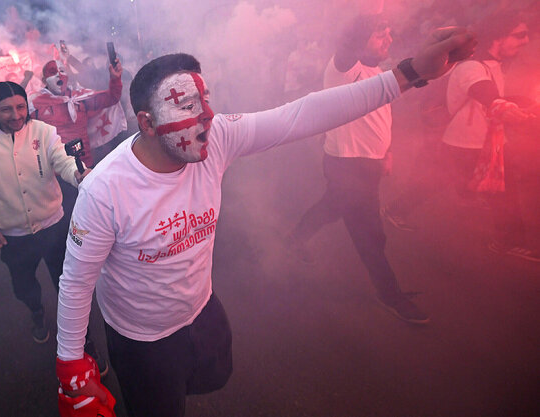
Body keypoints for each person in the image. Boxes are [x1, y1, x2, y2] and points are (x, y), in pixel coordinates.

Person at [53, 27, 476, 416]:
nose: (207, 117)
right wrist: (71, 367)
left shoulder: (215, 138)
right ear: (146, 123)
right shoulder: (104, 191)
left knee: (216, 374)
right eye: (187, 106)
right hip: (143, 338)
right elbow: (75, 281)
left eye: (206, 101)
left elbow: (301, 114)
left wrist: (410, 72)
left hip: (201, 309)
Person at [284, 14, 429, 324]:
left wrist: (385, 152)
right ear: (358, 40)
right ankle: (390, 295)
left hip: (367, 165)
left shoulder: (376, 71)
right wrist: (366, 18)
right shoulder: (344, 69)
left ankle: (296, 239)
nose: (388, 40)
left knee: (331, 207)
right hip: (348, 166)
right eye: (380, 35)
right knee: (369, 234)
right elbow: (349, 42)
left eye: (389, 34)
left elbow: (381, 117)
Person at [0, 81, 107, 371]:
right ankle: (36, 311)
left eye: (20, 106)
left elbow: (62, 160)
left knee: (69, 287)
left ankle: (83, 342)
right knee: (24, 284)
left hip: (54, 224)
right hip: (13, 235)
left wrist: (80, 175)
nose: (16, 115)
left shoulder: (44, 132)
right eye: (6, 109)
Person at [382, 13, 537, 261]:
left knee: (482, 189)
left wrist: (522, 105)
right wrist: (507, 109)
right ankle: (508, 242)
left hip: (486, 143)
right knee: (438, 184)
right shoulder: (472, 66)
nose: (525, 41)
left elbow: (496, 96)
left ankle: (396, 210)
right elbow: (486, 94)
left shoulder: (493, 65)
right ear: (499, 37)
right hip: (464, 144)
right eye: (519, 35)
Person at [30, 58, 124, 169]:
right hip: (56, 170)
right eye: (52, 72)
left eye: (62, 71)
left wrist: (115, 79)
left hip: (86, 164)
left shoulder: (80, 97)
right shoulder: (34, 103)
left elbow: (111, 98)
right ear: (44, 80)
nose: (59, 75)